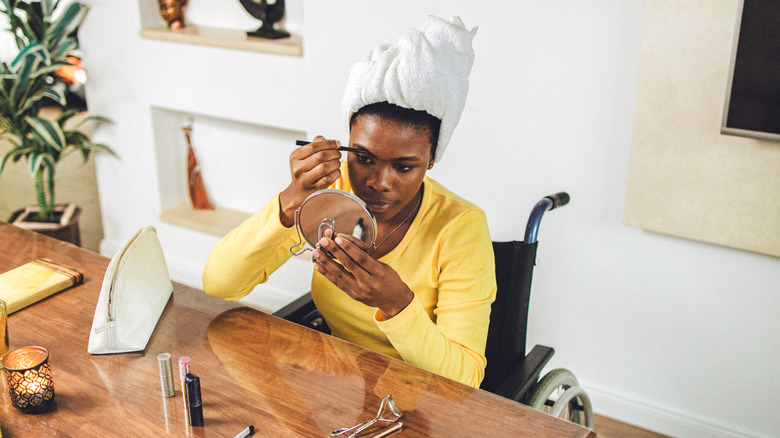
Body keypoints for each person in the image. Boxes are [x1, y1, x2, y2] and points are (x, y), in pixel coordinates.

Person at [202, 16, 496, 388]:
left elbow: (465, 381)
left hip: (420, 397)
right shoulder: (330, 194)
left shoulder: (461, 227)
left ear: (431, 160)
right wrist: (291, 200)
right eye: (363, 158)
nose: (378, 183)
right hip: (338, 382)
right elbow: (219, 284)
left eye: (404, 167)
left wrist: (396, 305)